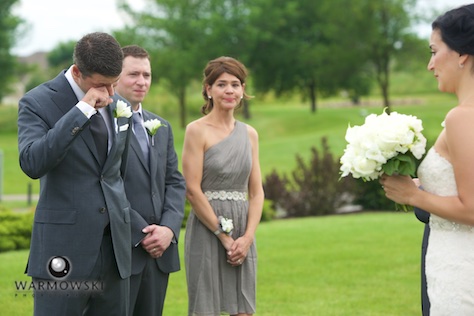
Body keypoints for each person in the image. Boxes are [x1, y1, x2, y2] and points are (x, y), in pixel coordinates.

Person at [18, 32, 148, 315]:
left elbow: (114, 176)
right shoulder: (37, 102)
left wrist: (137, 227)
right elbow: (32, 162)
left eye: (114, 84)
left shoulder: (116, 104)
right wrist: (82, 110)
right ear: (77, 72)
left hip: (116, 254)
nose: (111, 94)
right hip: (63, 254)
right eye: (102, 85)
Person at [380, 4, 474, 314]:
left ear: (461, 54)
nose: (430, 64)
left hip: (460, 266)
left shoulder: (462, 118)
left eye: (434, 51)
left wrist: (411, 195)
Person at [182, 56, 264, 316]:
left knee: (243, 310)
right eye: (221, 84)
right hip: (208, 230)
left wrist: (247, 238)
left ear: (242, 91)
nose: (229, 90)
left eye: (235, 84)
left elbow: (256, 191)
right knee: (206, 308)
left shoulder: (250, 134)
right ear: (208, 89)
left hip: (242, 232)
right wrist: (224, 238)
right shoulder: (196, 131)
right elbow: (192, 190)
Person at [115, 45, 186, 316]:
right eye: (133, 74)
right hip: (120, 250)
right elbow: (107, 184)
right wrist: (141, 233)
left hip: (160, 253)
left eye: (147, 75)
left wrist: (168, 229)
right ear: (116, 76)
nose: (142, 81)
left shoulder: (161, 126)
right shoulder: (102, 123)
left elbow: (174, 182)